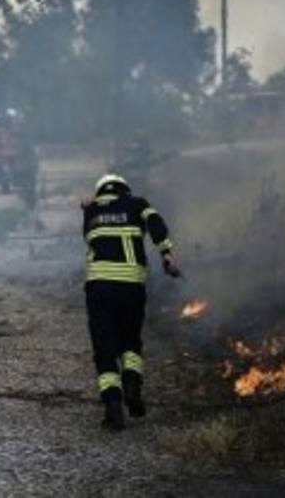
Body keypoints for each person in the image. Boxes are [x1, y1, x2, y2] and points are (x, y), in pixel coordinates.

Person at [82, 173, 181, 431]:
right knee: (130, 341)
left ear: (101, 191)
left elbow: (92, 230)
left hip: (99, 288)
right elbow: (157, 223)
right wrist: (166, 254)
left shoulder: (90, 211)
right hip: (131, 286)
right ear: (124, 190)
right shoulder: (138, 204)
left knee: (104, 348)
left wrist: (89, 205)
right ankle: (133, 385)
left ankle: (113, 408)